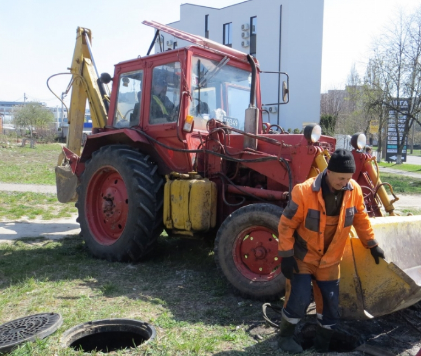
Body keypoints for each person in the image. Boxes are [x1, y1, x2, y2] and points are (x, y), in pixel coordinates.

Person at [277, 149, 385, 354]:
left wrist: (372, 245)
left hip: (331, 260)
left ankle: (322, 344)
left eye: (348, 178)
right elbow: (286, 225)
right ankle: (285, 337)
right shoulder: (304, 191)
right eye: (341, 178)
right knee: (298, 299)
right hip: (303, 257)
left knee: (330, 305)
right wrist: (286, 255)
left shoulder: (354, 190)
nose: (345, 182)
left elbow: (361, 219)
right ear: (329, 172)